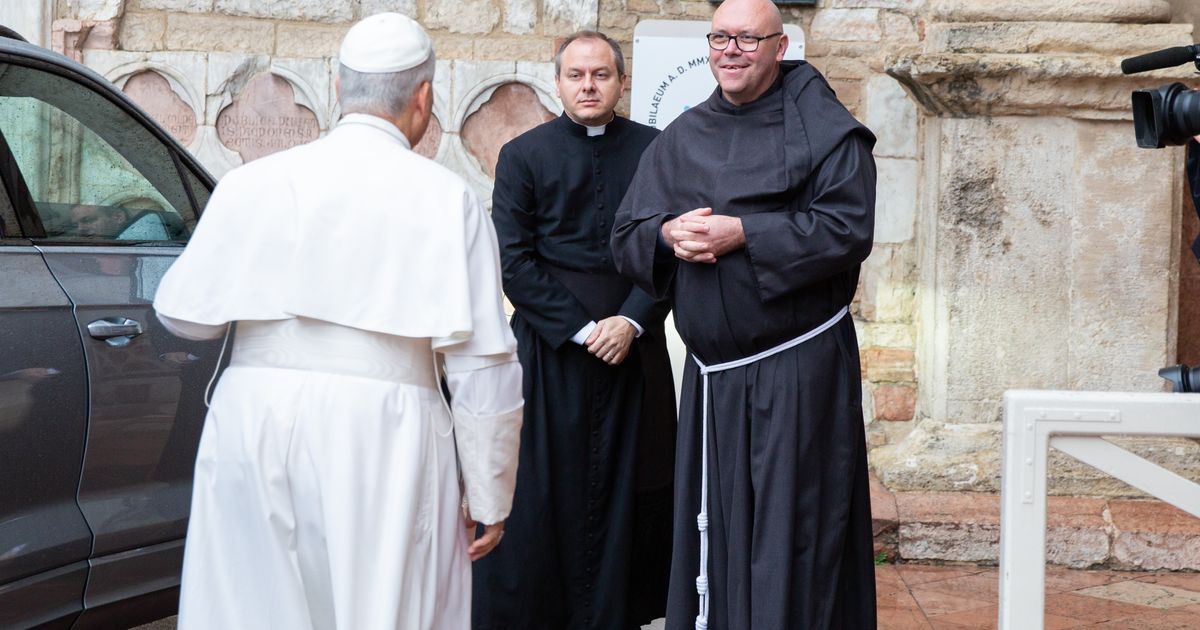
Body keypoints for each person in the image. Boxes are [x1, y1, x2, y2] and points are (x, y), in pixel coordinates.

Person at [152, 13, 523, 630]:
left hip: (255, 417)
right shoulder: (446, 196)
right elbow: (482, 364)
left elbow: (183, 317)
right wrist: (488, 494)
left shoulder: (251, 184)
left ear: (334, 88)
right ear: (424, 97)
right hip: (384, 431)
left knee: (250, 606)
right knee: (378, 607)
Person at [610, 0, 878, 628]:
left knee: (793, 533)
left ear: (780, 47)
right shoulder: (684, 134)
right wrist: (665, 234)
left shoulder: (825, 129)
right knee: (717, 529)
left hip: (795, 374)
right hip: (712, 382)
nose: (731, 51)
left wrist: (745, 234)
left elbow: (846, 228)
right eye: (720, 38)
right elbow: (625, 232)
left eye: (747, 40)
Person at [473, 30, 676, 630]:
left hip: (635, 352)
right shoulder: (523, 155)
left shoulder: (658, 150)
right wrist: (586, 330)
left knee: (636, 490)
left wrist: (632, 319)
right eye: (576, 76)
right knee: (543, 493)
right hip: (553, 351)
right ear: (557, 82)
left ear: (621, 80)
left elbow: (672, 248)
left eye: (601, 75)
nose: (589, 86)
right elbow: (514, 260)